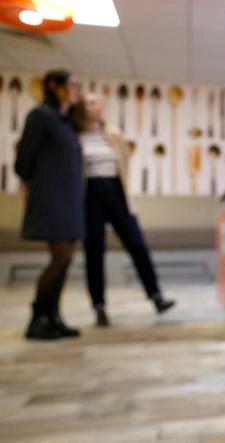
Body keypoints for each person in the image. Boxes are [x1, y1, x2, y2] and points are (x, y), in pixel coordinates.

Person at [73, 93, 175, 327]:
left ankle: (156, 297)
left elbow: (124, 163)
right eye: (91, 102)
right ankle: (99, 306)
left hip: (117, 193)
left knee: (137, 244)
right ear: (81, 108)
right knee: (94, 251)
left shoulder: (114, 135)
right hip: (90, 195)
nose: (97, 106)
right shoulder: (76, 137)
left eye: (98, 102)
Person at [15, 70, 83, 340]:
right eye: (72, 85)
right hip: (50, 198)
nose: (76, 90)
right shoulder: (40, 116)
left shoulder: (67, 123)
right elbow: (23, 163)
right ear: (54, 86)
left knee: (66, 261)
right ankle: (36, 319)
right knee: (61, 258)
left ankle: (54, 317)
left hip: (70, 200)